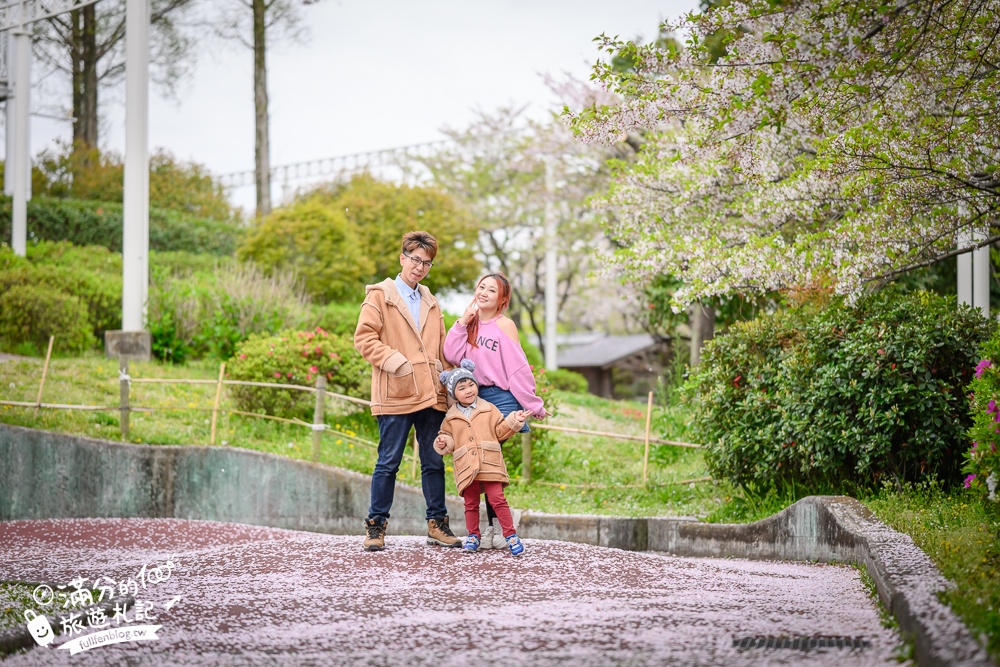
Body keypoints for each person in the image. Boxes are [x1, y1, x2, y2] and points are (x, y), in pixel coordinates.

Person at [354, 230, 462, 552]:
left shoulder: (431, 300)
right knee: (388, 462)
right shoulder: (380, 295)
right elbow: (364, 339)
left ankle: (437, 524)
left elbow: (442, 348)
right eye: (415, 259)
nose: (420, 267)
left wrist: (449, 383)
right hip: (396, 391)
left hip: (430, 394)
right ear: (403, 258)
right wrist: (396, 362)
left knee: (433, 461)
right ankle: (376, 526)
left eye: (427, 263)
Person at [443, 272, 549, 548]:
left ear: (502, 299)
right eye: (481, 287)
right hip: (474, 396)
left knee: (488, 458)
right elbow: (452, 353)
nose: (485, 292)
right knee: (482, 462)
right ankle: (495, 525)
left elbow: (517, 369)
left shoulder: (506, 326)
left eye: (492, 290)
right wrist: (462, 322)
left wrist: (532, 403)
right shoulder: (470, 323)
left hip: (500, 398)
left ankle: (497, 527)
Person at [434, 359, 529, 557]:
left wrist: (514, 420)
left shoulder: (489, 408)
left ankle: (510, 535)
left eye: (471, 384)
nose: (468, 390)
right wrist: (443, 442)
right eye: (462, 388)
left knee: (498, 499)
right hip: (467, 466)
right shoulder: (450, 417)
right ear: (453, 394)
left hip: (489, 463)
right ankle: (473, 535)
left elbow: (500, 431)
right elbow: (448, 438)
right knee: (470, 503)